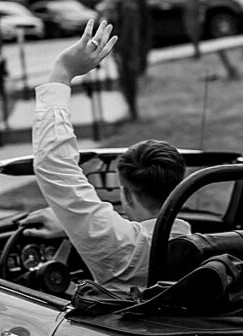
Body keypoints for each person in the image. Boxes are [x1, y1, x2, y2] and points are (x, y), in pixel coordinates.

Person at [23, 19, 190, 293]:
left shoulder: (123, 247)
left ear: (127, 195)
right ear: (178, 187)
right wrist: (70, 227)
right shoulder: (198, 243)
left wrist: (62, 72)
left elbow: (54, 164)